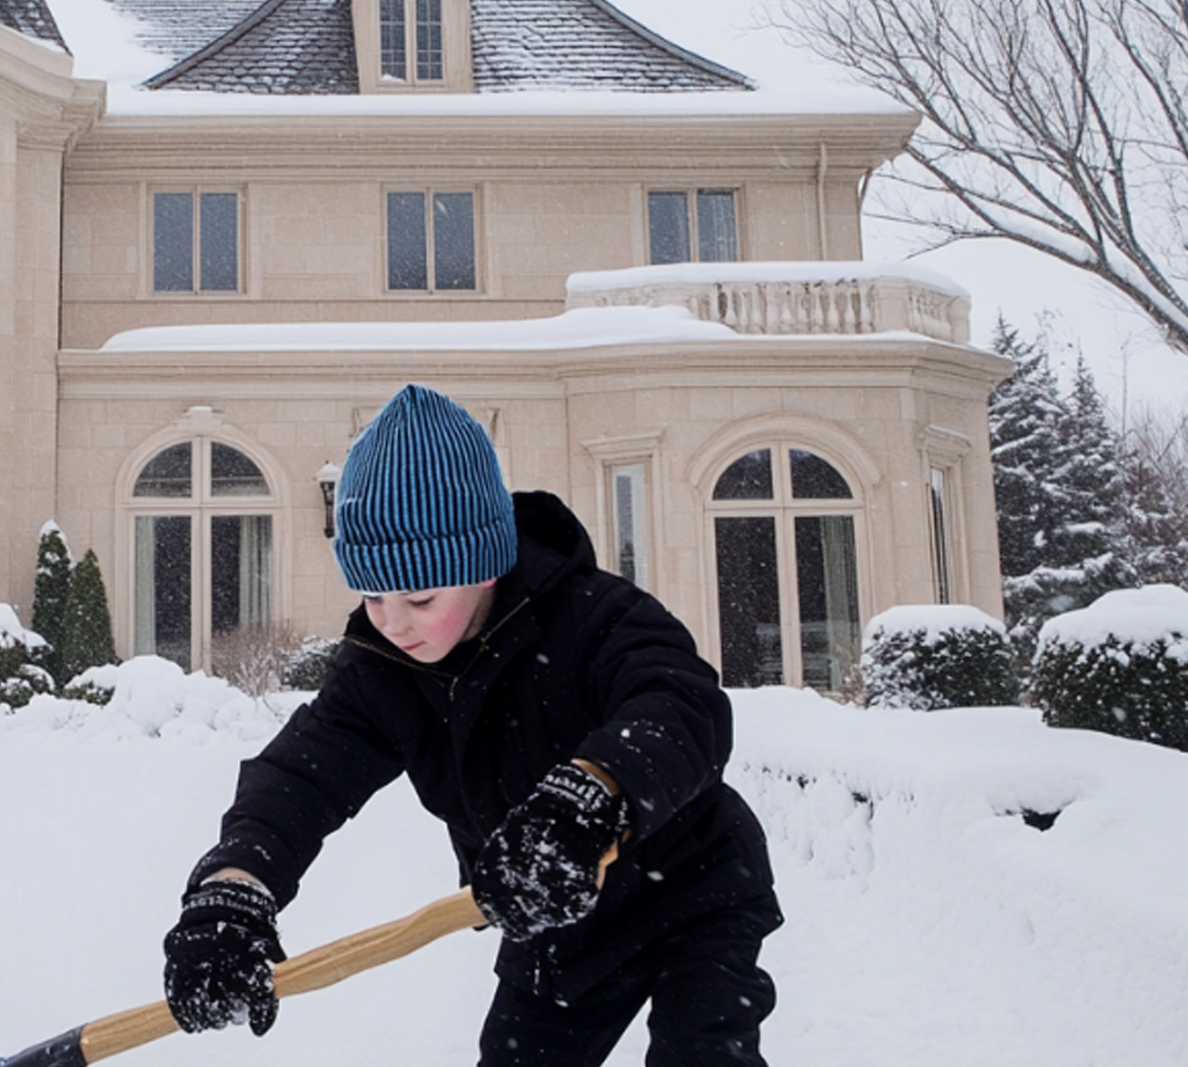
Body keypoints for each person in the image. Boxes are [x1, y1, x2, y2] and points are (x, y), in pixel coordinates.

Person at [161, 384, 780, 1066]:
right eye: (371, 593)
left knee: (703, 1054)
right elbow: (301, 778)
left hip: (690, 891)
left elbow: (677, 703)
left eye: (420, 597)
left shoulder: (594, 616)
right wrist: (234, 889)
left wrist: (591, 792)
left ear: (483, 565)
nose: (391, 621)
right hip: (547, 917)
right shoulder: (382, 668)